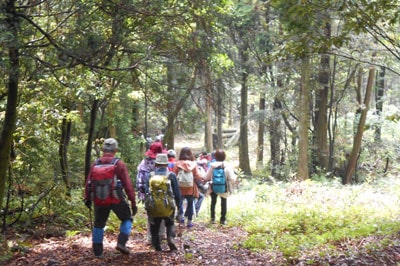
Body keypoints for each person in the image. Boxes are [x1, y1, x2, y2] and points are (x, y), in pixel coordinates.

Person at [84, 138, 138, 257]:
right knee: (127, 219)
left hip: (99, 199)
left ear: (103, 149)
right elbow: (128, 184)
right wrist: (133, 202)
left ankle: (98, 252)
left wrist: (87, 198)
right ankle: (121, 243)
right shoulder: (118, 164)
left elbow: (88, 182)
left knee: (98, 224)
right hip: (116, 198)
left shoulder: (96, 163)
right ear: (116, 150)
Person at [146, 154, 182, 251]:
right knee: (170, 223)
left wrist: (148, 207)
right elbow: (177, 194)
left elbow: (146, 192)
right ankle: (170, 238)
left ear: (156, 164)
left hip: (154, 207)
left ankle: (157, 247)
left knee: (154, 227)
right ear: (166, 164)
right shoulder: (171, 175)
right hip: (168, 206)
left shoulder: (150, 175)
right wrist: (179, 208)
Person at [136, 141, 167, 244]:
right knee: (163, 211)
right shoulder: (161, 163)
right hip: (163, 193)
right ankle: (162, 234)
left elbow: (139, 178)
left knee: (150, 214)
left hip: (147, 193)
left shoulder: (143, 163)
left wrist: (141, 193)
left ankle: (150, 237)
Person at [203, 149, 236, 225]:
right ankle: (223, 219)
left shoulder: (212, 166)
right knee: (223, 202)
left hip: (213, 187)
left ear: (215, 156)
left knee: (213, 202)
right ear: (224, 156)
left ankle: (212, 218)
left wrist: (203, 178)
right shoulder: (227, 166)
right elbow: (232, 178)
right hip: (224, 187)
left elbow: (206, 177)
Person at [173, 147, 204, 228]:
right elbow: (198, 176)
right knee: (190, 203)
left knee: (179, 202)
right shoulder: (193, 164)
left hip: (180, 187)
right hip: (190, 187)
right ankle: (189, 222)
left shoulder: (177, 164)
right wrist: (203, 180)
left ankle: (181, 217)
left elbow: (173, 175)